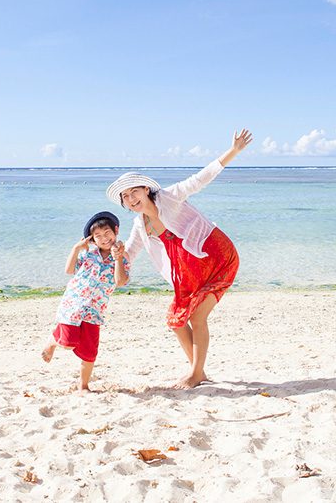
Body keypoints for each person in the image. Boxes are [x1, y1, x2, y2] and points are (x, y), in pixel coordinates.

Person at [106, 129, 252, 388]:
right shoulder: (141, 226)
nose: (131, 199)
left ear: (145, 189)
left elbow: (200, 179)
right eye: (125, 198)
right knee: (175, 320)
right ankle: (199, 371)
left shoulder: (168, 197)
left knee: (197, 318)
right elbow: (129, 253)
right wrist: (115, 254)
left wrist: (234, 151)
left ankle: (196, 373)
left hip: (215, 255)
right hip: (188, 273)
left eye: (133, 192)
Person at [41, 211, 130, 392]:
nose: (104, 239)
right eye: (98, 236)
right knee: (67, 343)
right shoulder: (87, 254)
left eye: (107, 233)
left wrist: (118, 258)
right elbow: (69, 270)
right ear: (92, 239)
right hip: (73, 304)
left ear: (116, 231)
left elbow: (120, 281)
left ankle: (83, 386)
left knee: (89, 352)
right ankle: (52, 341)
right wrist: (76, 249)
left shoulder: (122, 257)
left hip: (95, 311)